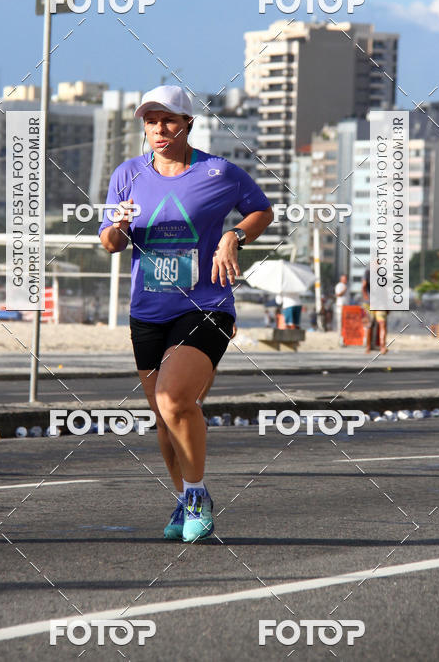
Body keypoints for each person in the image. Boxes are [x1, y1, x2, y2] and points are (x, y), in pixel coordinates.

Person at [99, 85, 273, 542]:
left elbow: (262, 211)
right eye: (151, 120)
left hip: (207, 304)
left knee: (174, 399)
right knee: (163, 416)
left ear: (188, 123)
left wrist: (234, 235)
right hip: (148, 309)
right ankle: (184, 497)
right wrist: (117, 224)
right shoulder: (128, 174)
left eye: (169, 120)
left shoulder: (218, 172)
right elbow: (110, 243)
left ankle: (197, 495)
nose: (159, 128)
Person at [362, 267, 388, 354]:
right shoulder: (367, 272)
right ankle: (368, 347)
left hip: (380, 303)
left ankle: (382, 346)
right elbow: (364, 287)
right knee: (370, 325)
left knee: (382, 324)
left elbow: (385, 290)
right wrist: (367, 299)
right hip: (370, 303)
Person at [334, 274, 349, 340]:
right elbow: (338, 294)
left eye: (346, 279)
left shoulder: (346, 286)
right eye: (344, 279)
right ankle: (340, 338)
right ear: (341, 279)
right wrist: (344, 290)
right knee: (340, 323)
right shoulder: (339, 285)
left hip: (346, 307)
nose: (346, 280)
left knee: (345, 323)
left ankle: (345, 337)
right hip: (340, 307)